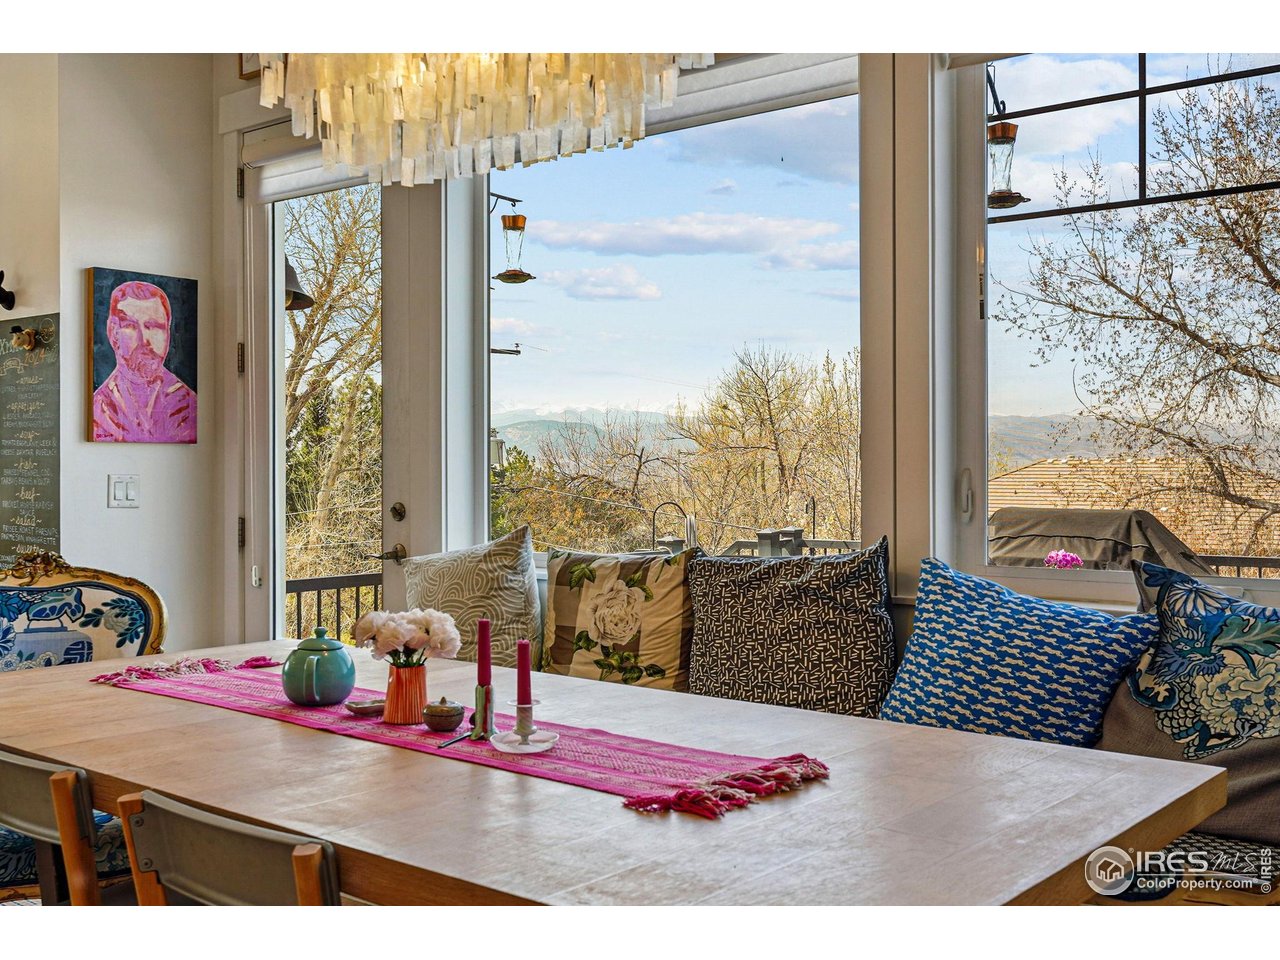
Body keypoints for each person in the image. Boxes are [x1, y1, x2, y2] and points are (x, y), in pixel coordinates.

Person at [92, 280, 196, 443]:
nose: (145, 340)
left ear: (167, 334)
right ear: (113, 332)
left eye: (154, 326)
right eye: (131, 326)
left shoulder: (188, 405)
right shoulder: (99, 410)